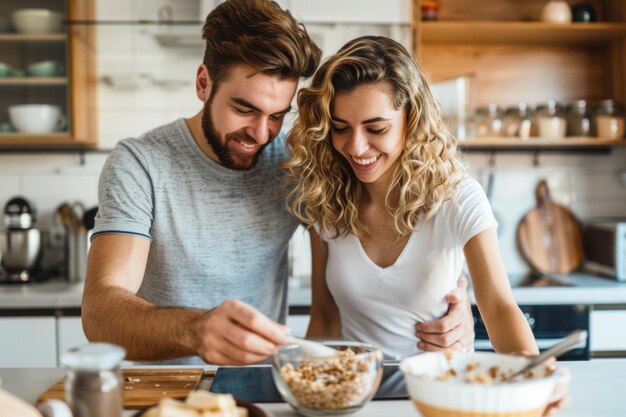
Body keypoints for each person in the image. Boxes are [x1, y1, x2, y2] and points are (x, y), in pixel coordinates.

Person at [82, 0, 474, 366]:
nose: (260, 133)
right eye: (244, 109)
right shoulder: (140, 164)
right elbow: (101, 310)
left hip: (261, 387)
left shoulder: (293, 163)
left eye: (276, 115)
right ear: (203, 83)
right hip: (163, 388)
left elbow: (387, 233)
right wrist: (196, 331)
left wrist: (454, 298)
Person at [283, 35, 539, 359]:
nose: (356, 147)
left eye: (376, 129)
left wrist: (534, 375)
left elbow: (500, 307)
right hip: (360, 396)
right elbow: (324, 317)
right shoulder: (326, 198)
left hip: (438, 392)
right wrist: (310, 389)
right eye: (341, 127)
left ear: (412, 120)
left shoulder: (458, 197)